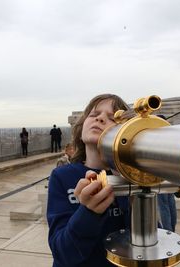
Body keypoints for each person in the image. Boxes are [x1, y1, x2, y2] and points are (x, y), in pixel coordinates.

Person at [47, 94, 131, 267]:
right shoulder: (61, 176)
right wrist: (89, 213)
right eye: (94, 115)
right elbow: (62, 252)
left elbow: (151, 238)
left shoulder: (131, 179)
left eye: (112, 118)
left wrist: (132, 192)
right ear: (82, 126)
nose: (100, 118)